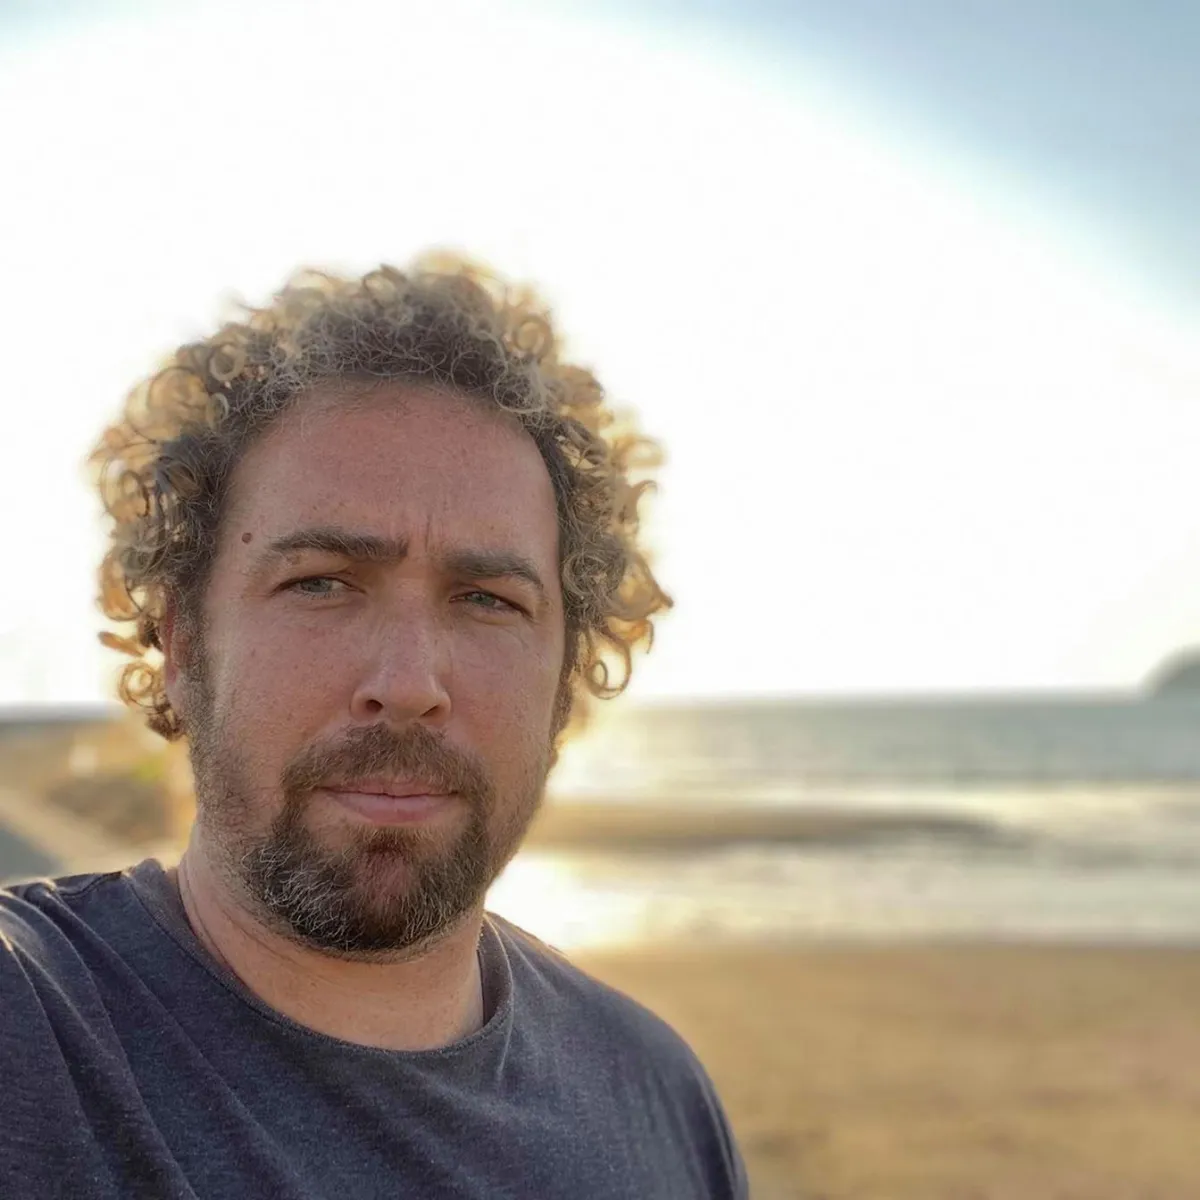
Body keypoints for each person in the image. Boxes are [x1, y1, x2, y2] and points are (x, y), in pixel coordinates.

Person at [0, 256, 749, 1198]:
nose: (408, 685)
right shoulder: (33, 1033)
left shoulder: (660, 1100)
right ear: (184, 643)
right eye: (320, 582)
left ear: (564, 678)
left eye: (486, 599)